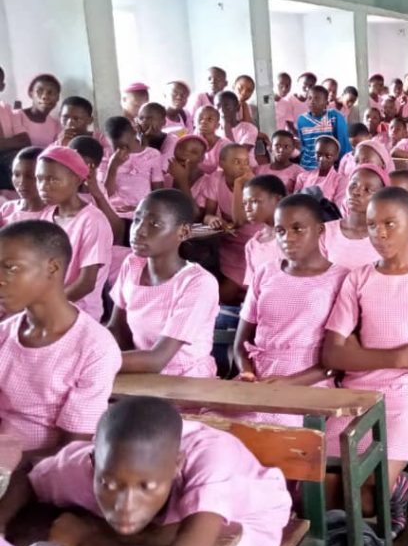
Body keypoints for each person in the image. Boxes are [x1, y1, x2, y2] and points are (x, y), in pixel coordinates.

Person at [0, 397, 290, 546]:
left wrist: (84, 541)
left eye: (146, 487)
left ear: (177, 465)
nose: (125, 505)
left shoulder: (213, 463)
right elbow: (29, 473)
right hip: (158, 526)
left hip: (245, 520)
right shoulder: (86, 466)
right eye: (110, 485)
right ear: (94, 463)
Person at [323, 187, 408, 531]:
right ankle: (359, 531)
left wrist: (358, 354)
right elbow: (332, 353)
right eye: (371, 225)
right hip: (355, 395)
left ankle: (394, 489)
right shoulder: (359, 278)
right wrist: (402, 356)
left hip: (406, 397)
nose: (378, 234)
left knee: (367, 488)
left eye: (389, 224)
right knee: (326, 486)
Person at [0, 220, 120, 456]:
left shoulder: (94, 348)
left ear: (52, 268)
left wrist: (7, 463)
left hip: (45, 468)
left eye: (11, 268)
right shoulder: (5, 334)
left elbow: (71, 451)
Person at [235, 194, 346, 438]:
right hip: (259, 380)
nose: (287, 238)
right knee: (215, 424)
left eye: (298, 229)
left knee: (274, 433)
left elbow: (338, 360)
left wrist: (288, 383)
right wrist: (247, 372)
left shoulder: (340, 279)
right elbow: (241, 343)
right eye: (280, 231)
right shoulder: (265, 273)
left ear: (320, 230)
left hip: (310, 382)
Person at [107, 189, 218, 376]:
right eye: (137, 219)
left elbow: (157, 359)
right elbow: (117, 330)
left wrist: (89, 362)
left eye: (155, 224)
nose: (139, 231)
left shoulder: (198, 283)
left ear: (183, 232)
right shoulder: (133, 264)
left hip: (187, 381)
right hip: (141, 375)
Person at [37, 146, 113, 321]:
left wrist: (44, 306)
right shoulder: (47, 215)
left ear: (77, 179)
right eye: (39, 179)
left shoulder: (92, 221)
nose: (43, 187)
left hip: (79, 313)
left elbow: (86, 284)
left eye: (53, 179)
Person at [201, 144, 258, 304]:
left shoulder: (254, 184)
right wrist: (212, 220)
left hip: (254, 244)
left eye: (246, 162)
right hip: (230, 243)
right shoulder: (215, 179)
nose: (243, 167)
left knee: (227, 294)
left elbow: (240, 221)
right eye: (236, 162)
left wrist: (239, 184)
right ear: (222, 163)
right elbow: (208, 214)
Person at [321, 164, 388, 270]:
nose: (356, 192)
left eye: (367, 190)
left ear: (381, 198)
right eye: (353, 185)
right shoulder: (326, 231)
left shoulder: (387, 237)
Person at [102, 116, 165, 218]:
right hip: (116, 212)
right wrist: (113, 167)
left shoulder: (152, 155)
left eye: (126, 146)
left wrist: (140, 208)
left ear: (134, 132)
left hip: (143, 210)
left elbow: (158, 192)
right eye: (117, 148)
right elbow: (106, 194)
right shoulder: (107, 157)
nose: (123, 150)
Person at [240, 174, 287, 285]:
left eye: (254, 201)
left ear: (277, 200)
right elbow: (252, 286)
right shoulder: (252, 245)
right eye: (245, 203)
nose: (248, 208)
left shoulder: (294, 239)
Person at [296, 85, 349, 171]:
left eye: (317, 98)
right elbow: (303, 146)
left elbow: (343, 143)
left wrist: (342, 165)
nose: (312, 101)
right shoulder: (301, 120)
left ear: (326, 102)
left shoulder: (334, 116)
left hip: (329, 167)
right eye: (309, 98)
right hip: (307, 166)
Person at [0, 147, 44, 226]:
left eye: (30, 176)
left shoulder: (54, 214)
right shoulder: (8, 208)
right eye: (16, 175)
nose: (22, 182)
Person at [294, 136, 344, 204]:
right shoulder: (302, 177)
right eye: (318, 154)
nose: (321, 159)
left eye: (328, 156)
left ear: (336, 156)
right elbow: (295, 203)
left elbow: (337, 207)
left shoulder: (340, 181)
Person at [14, 74, 61, 147]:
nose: (45, 96)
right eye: (39, 91)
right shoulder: (16, 116)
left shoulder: (55, 125)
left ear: (57, 97)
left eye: (50, 92)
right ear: (31, 94)